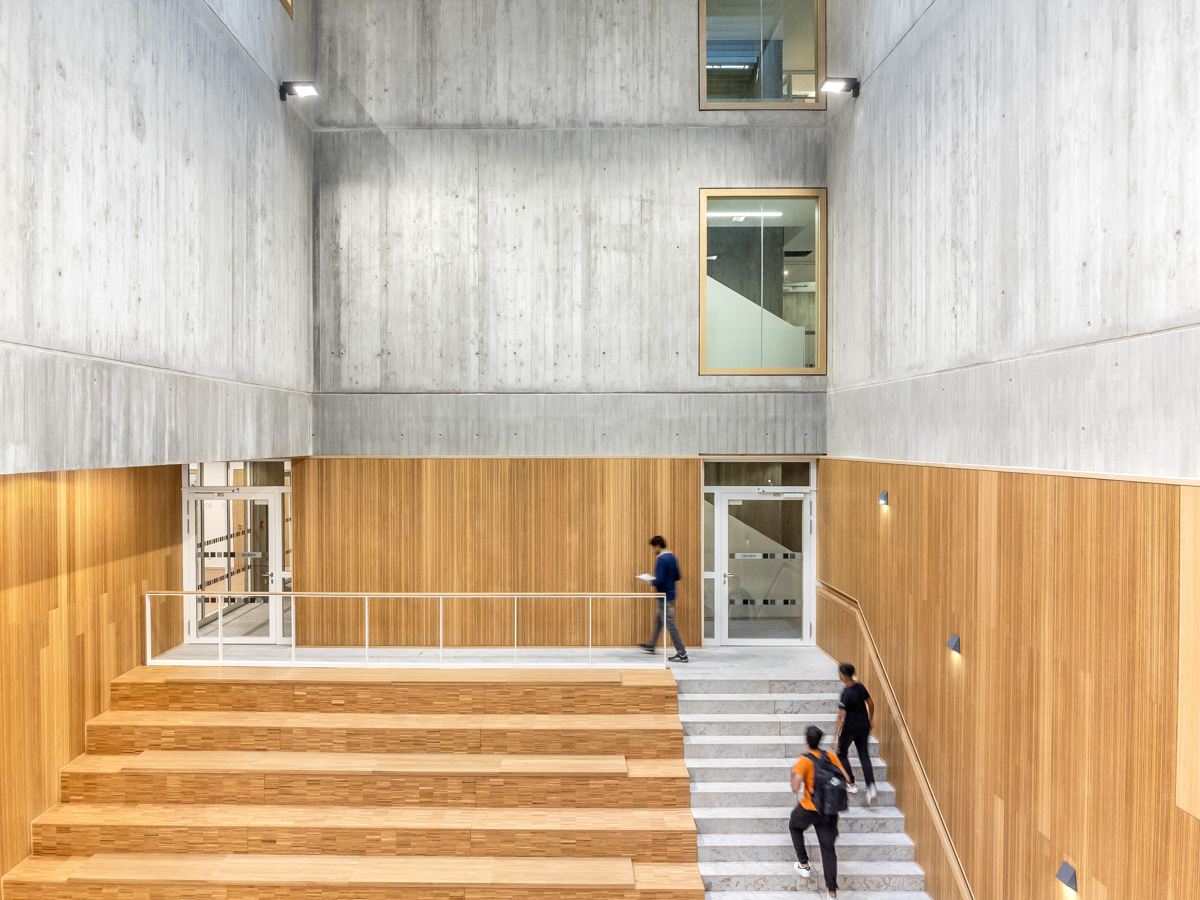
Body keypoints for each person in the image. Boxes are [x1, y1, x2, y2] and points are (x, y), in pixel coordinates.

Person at [790, 725, 848, 899]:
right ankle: (832, 892)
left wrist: (796, 772)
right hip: (830, 809)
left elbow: (795, 787)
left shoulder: (805, 760)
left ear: (807, 741)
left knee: (794, 825)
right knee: (828, 849)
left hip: (811, 808)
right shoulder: (830, 756)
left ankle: (804, 864)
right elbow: (844, 777)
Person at [833, 662, 877, 804]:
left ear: (843, 676)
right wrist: (870, 719)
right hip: (863, 726)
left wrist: (835, 738)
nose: (838, 675)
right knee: (864, 755)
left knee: (841, 753)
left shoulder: (846, 694)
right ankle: (871, 786)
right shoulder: (860, 687)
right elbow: (871, 703)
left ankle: (851, 784)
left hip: (850, 728)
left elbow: (841, 717)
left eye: (839, 673)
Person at [639, 535, 688, 662]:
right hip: (671, 595)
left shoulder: (661, 559)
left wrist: (651, 581)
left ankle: (682, 653)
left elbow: (659, 579)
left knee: (671, 625)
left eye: (654, 547)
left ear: (658, 546)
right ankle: (651, 645)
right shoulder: (672, 557)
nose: (654, 550)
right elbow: (677, 576)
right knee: (659, 620)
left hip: (664, 596)